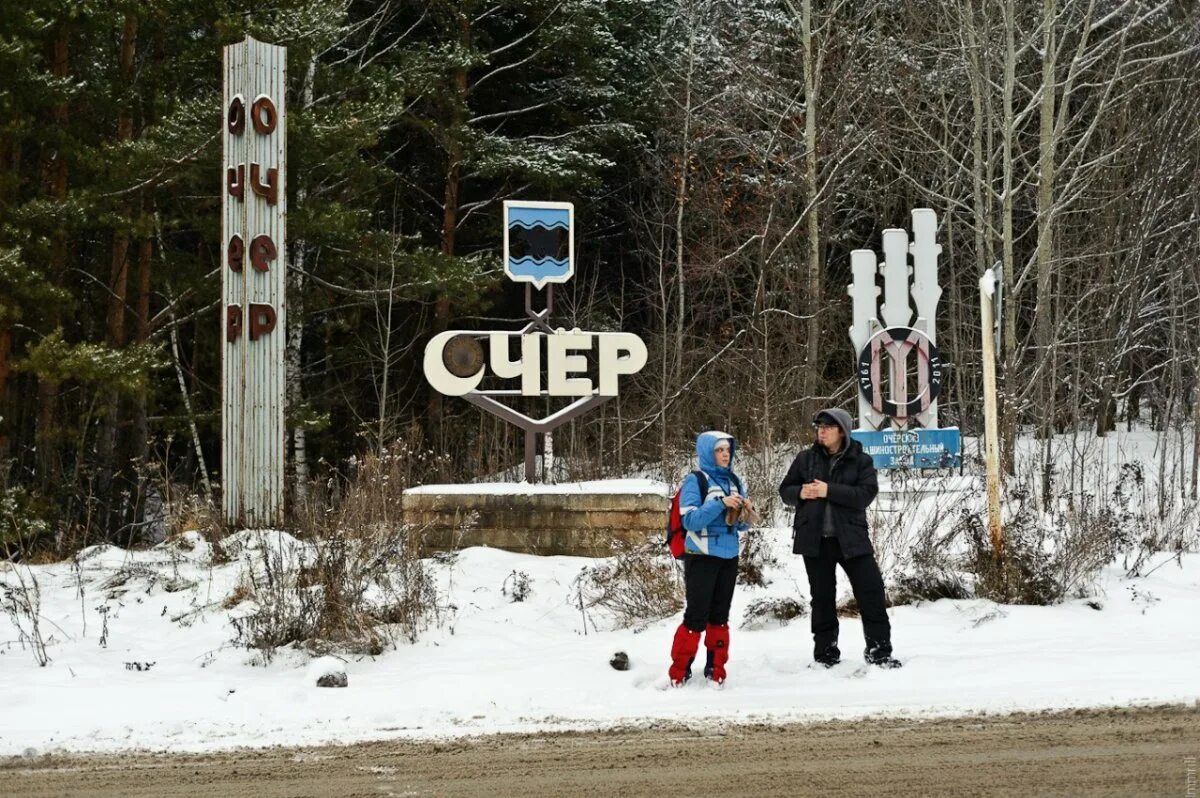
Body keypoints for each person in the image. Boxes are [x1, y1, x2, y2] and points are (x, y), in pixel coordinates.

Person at [778, 408, 901, 669]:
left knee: (871, 593)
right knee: (822, 599)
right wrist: (800, 492)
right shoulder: (805, 459)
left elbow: (865, 495)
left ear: (842, 431)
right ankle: (825, 656)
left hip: (852, 539)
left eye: (827, 427)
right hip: (815, 540)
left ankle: (880, 653)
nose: (821, 431)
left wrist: (828, 490)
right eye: (818, 426)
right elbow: (785, 491)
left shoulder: (861, 461)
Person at [666, 431, 752, 687]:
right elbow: (690, 520)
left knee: (720, 617)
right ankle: (679, 671)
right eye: (719, 450)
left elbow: (739, 528)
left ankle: (716, 669)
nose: (725, 454)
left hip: (729, 555)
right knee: (696, 615)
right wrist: (719, 503)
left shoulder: (734, 480)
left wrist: (745, 512)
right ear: (707, 452)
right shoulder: (696, 480)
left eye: (727, 449)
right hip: (701, 555)